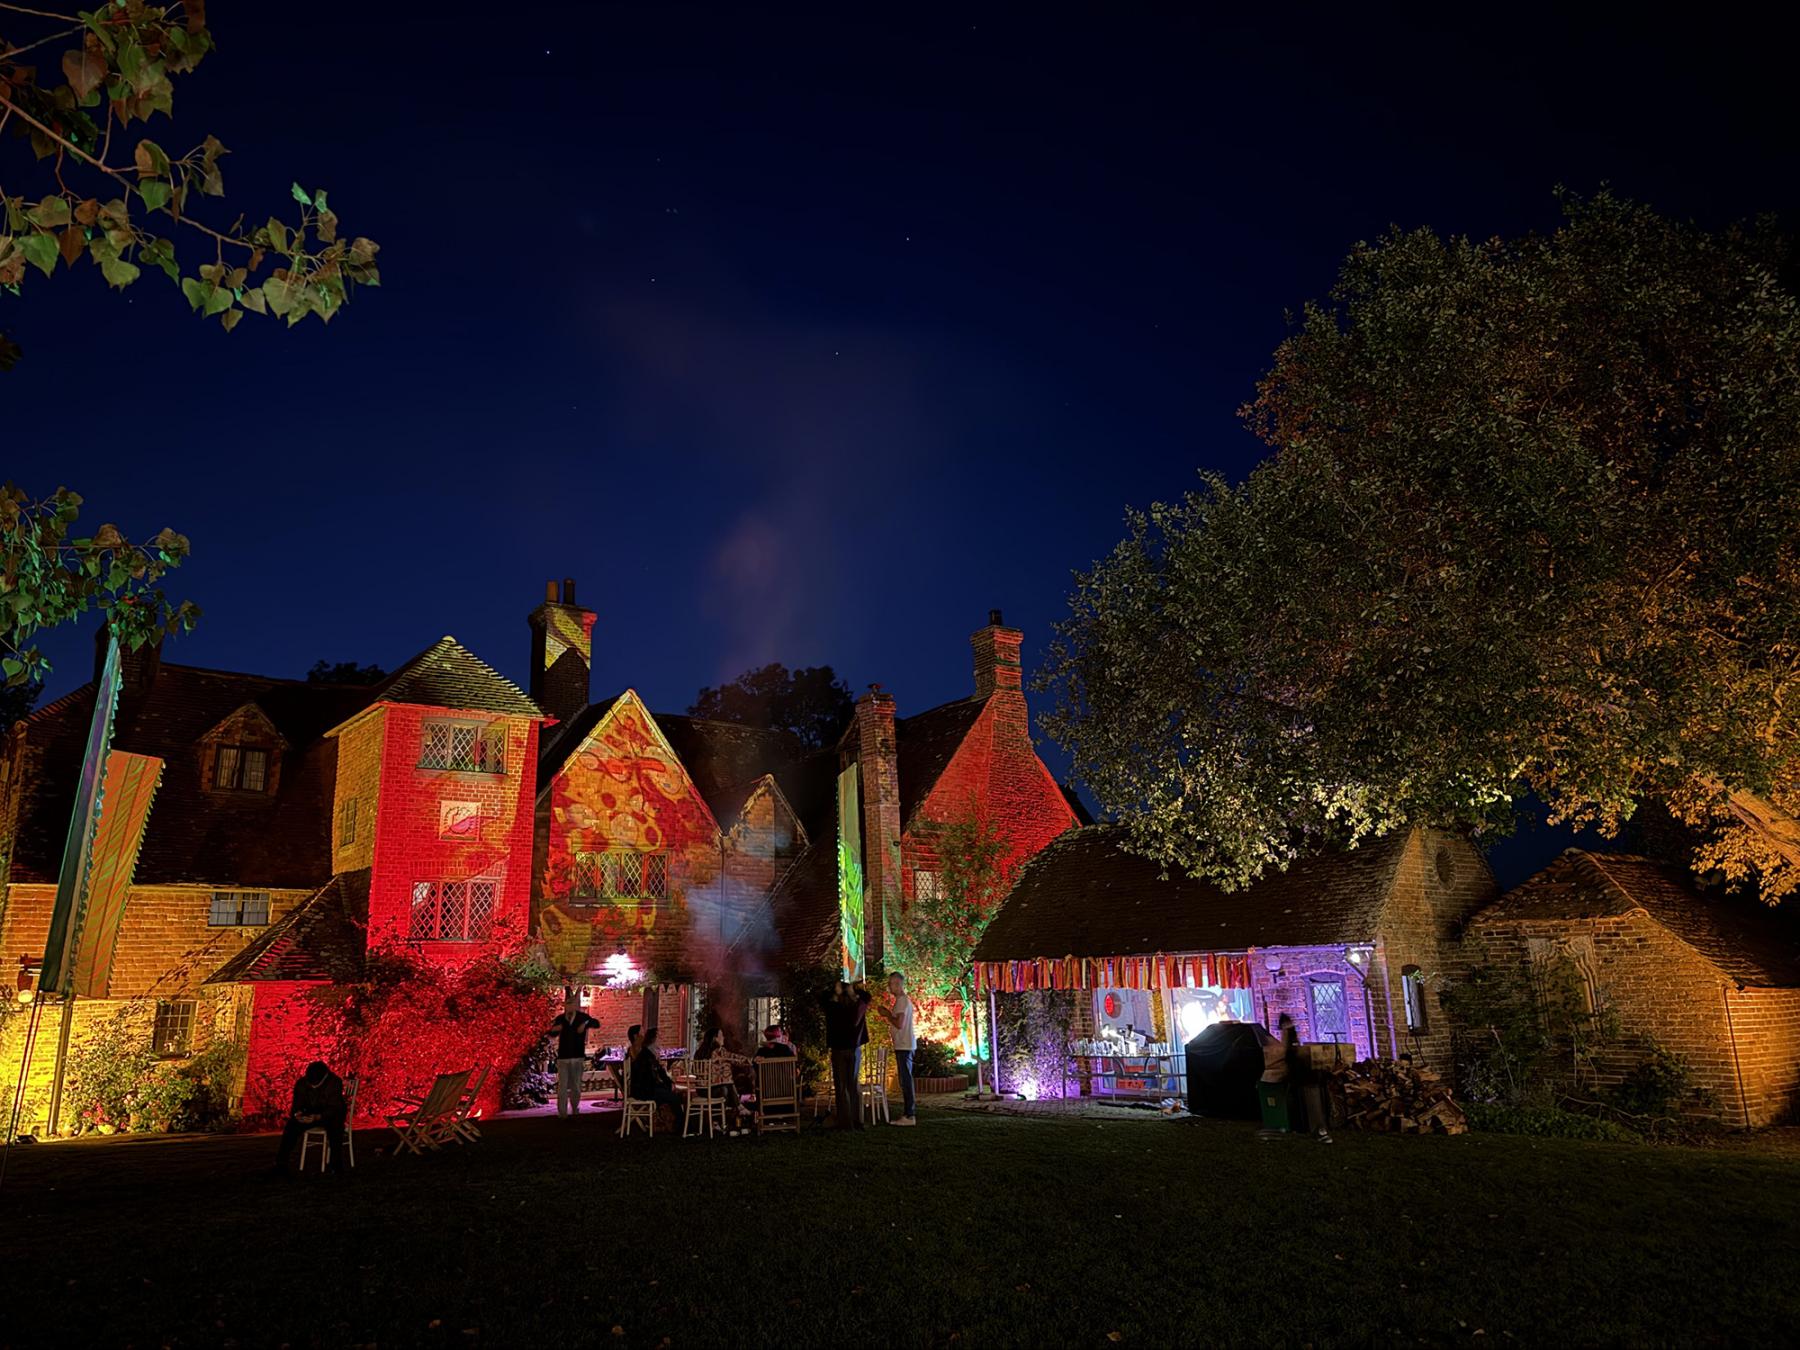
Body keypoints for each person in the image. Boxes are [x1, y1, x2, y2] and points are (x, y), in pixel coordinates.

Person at [272, 1060, 349, 1175]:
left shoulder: (334, 1083)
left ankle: (336, 1165)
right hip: (310, 1114)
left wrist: (319, 1117)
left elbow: (335, 1108)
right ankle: (281, 1163)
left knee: (336, 1128)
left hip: (330, 1115)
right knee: (291, 1127)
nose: (313, 1086)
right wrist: (297, 1114)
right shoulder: (302, 1084)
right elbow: (297, 1105)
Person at [819, 979, 871, 1130]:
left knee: (841, 1086)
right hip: (854, 1049)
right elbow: (867, 997)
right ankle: (856, 1120)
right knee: (853, 1084)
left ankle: (845, 1122)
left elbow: (822, 997)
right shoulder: (856, 1007)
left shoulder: (832, 1007)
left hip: (838, 1049)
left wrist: (835, 991)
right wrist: (853, 990)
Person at [548, 990, 600, 1118]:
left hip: (577, 1056)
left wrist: (585, 1024)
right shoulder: (561, 1019)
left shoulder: (582, 1017)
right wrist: (554, 1030)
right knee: (562, 1086)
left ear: (576, 1005)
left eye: (572, 1004)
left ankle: (575, 1107)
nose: (570, 1006)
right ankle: (562, 1113)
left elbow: (596, 1023)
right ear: (565, 1005)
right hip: (563, 1057)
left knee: (576, 1086)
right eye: (568, 1004)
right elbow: (551, 1033)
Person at [879, 970, 918, 1126]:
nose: (889, 987)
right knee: (905, 1079)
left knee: (906, 1080)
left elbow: (899, 1023)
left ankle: (909, 1115)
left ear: (898, 984)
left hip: (904, 1045)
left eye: (891, 984)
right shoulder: (902, 1001)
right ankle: (909, 1113)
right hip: (904, 1044)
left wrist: (887, 1014)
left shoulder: (902, 1001)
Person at [629, 1026, 687, 1126]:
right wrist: (666, 1085)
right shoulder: (645, 1056)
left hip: (647, 1088)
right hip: (644, 1091)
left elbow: (659, 1072)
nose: (661, 1040)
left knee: (673, 1094)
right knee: (673, 1097)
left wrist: (668, 1083)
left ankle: (677, 1123)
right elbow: (650, 1078)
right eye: (659, 1037)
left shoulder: (648, 1054)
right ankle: (681, 1125)